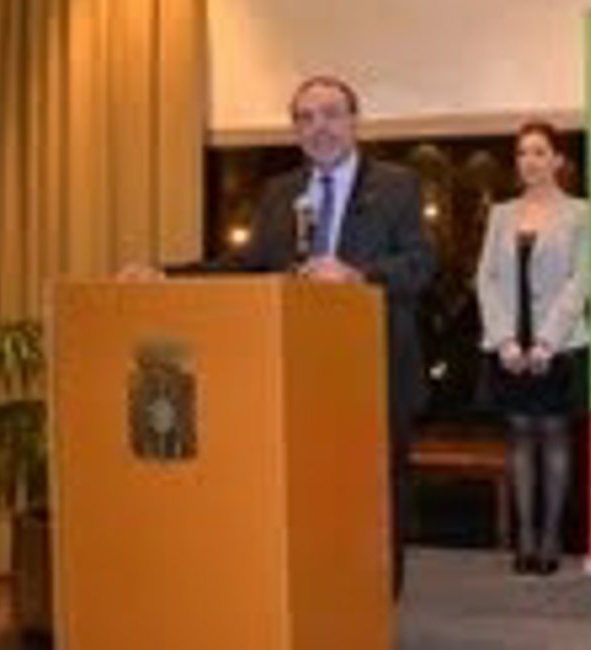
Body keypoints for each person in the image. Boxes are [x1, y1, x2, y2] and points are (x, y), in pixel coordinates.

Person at [123, 74, 435, 594]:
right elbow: (247, 265)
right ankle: (316, 595)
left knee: (376, 492)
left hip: (375, 369)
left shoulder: (397, 185)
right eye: (305, 118)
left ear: (354, 122)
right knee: (308, 492)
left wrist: (358, 275)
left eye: (331, 114)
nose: (319, 128)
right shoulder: (281, 192)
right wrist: (167, 274)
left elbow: (420, 266)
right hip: (297, 373)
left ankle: (378, 601)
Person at [476, 120, 589, 576]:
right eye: (523, 153)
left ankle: (551, 538)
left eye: (540, 152)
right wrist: (504, 339)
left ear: (558, 160)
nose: (530, 161)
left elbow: (581, 280)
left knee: (554, 435)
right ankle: (525, 539)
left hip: (558, 342)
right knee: (519, 436)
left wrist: (547, 342)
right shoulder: (501, 214)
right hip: (508, 342)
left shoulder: (581, 212)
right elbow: (485, 278)